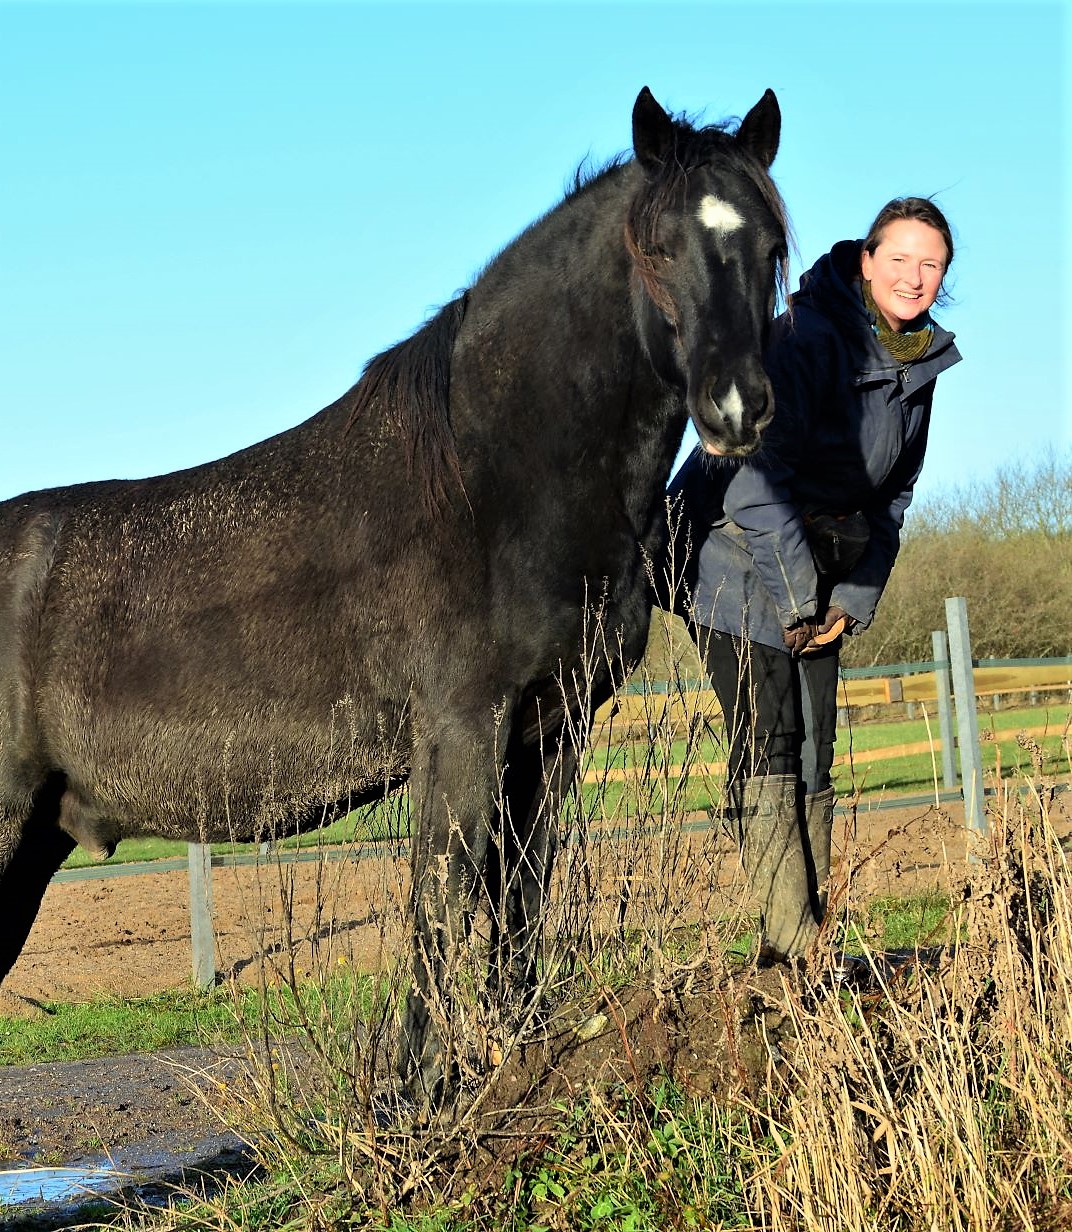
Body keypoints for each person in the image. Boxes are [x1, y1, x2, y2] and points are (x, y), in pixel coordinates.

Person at [665, 197, 962, 964]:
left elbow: (892, 497)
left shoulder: (917, 364)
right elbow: (747, 480)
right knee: (770, 742)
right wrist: (801, 599)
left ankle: (804, 951)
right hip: (730, 554)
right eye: (899, 258)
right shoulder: (806, 338)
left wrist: (851, 599)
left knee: (816, 750)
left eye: (930, 264)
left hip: (819, 575)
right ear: (866, 260)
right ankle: (790, 952)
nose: (914, 276)